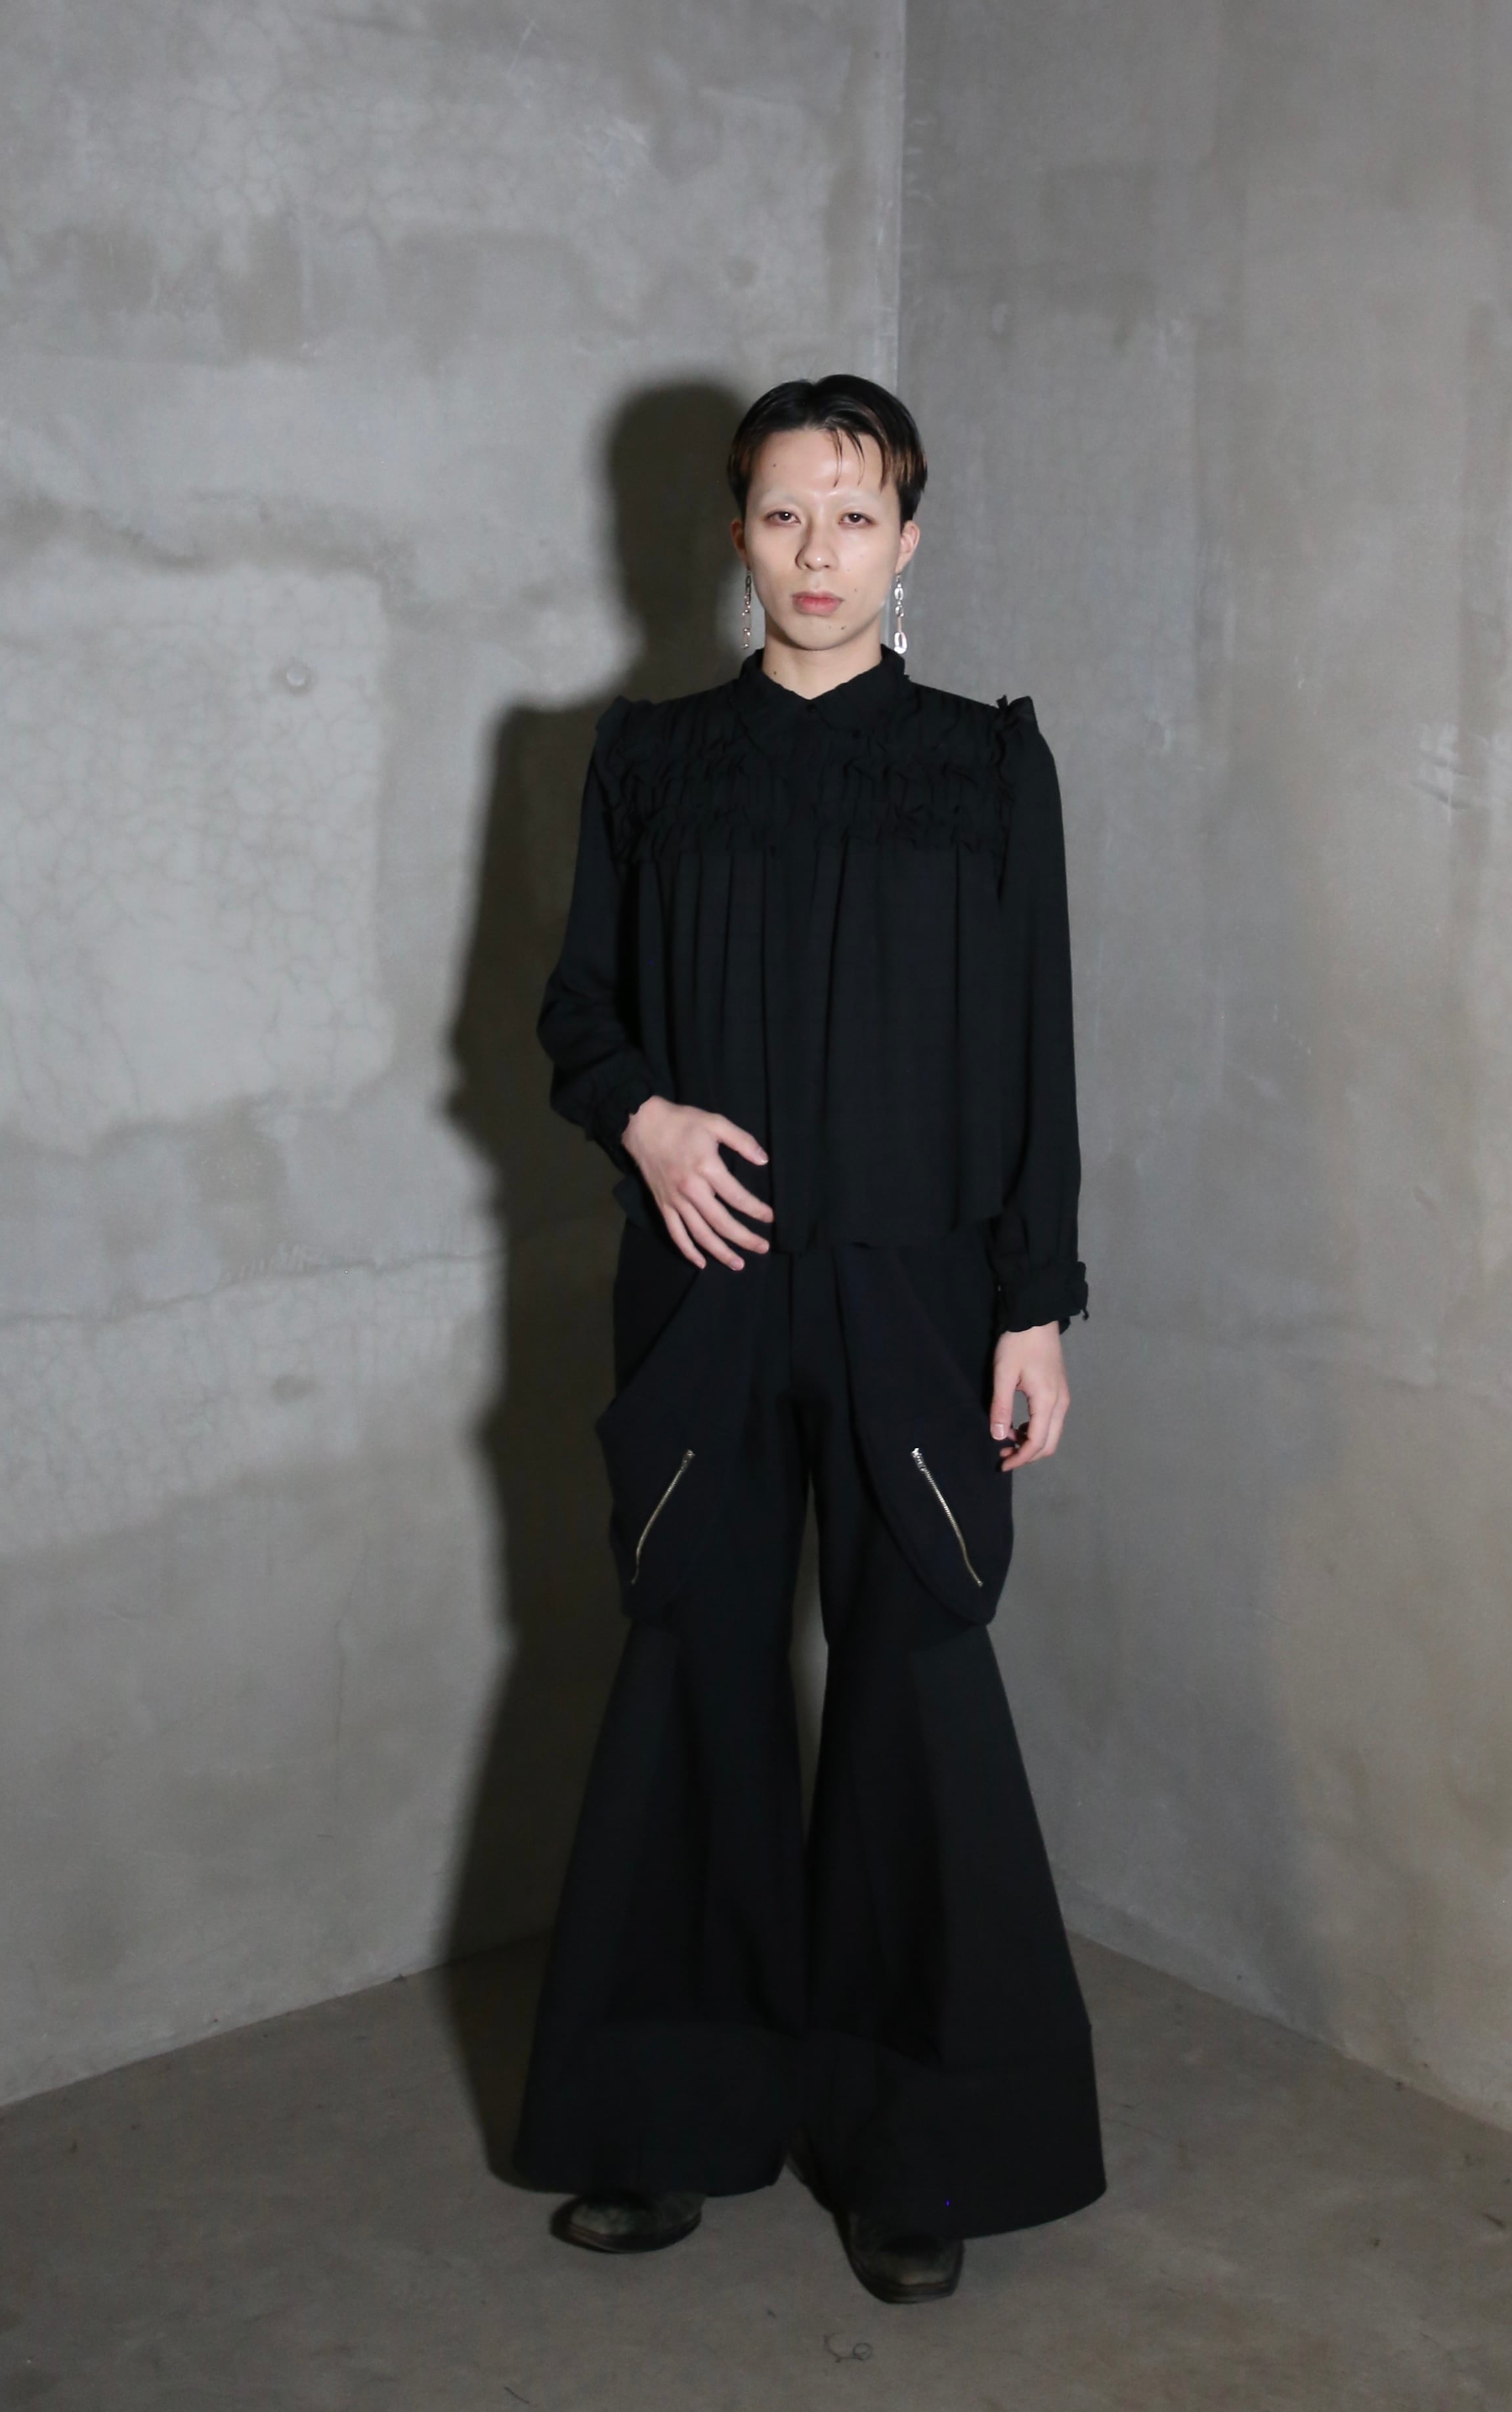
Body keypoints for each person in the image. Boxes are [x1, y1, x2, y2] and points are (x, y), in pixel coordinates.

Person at [511, 374, 1106, 2304]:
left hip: (919, 1302)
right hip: (705, 1295)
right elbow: (578, 1011)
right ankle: (664, 2120)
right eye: (784, 516)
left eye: (855, 518)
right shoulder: (652, 762)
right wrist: (647, 1123)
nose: (818, 554)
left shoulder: (986, 765)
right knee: (695, 1669)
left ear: (908, 538)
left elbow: (1038, 1052)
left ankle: (913, 2147)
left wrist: (1034, 1300)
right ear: (736, 535)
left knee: (915, 1685)